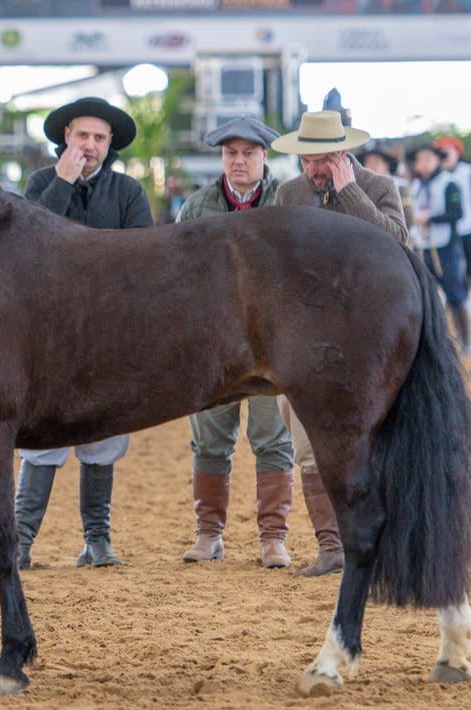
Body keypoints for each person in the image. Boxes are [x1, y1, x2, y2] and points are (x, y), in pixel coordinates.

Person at [16, 97, 154, 569]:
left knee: (103, 435)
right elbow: (25, 250)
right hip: (47, 333)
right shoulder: (40, 184)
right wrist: (62, 183)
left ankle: (97, 541)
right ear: (65, 139)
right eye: (82, 136)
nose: (90, 145)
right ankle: (21, 541)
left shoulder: (129, 192)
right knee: (41, 437)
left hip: (107, 332)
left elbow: (143, 261)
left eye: (99, 138)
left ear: (110, 143)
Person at [270, 110, 408, 577]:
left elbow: (396, 246)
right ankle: (331, 547)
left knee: (373, 441)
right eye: (307, 159)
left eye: (323, 158)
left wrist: (349, 192)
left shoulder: (378, 188)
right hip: (305, 339)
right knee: (307, 444)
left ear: (343, 153)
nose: (313, 169)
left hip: (370, 340)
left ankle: (373, 544)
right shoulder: (288, 193)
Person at [174, 117, 295, 569]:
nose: (238, 161)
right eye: (230, 153)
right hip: (213, 344)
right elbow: (178, 276)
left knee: (273, 438)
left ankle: (273, 538)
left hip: (273, 344)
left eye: (248, 152)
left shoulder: (287, 201)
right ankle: (208, 535)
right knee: (208, 440)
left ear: (266, 156)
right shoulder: (196, 206)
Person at [435, 135, 471, 353]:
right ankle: (461, 333)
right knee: (456, 283)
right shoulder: (436, 177)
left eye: (448, 150)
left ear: (457, 152)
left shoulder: (469, 172)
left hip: (469, 233)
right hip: (448, 236)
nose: (446, 155)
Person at [409, 144, 466, 332]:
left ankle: (465, 336)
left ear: (437, 160)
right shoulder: (416, 185)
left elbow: (457, 213)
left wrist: (431, 219)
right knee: (426, 294)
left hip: (445, 245)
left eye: (428, 159)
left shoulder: (449, 183)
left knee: (453, 292)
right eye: (420, 160)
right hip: (422, 245)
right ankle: (436, 334)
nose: (424, 164)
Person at [359, 147, 415, 233]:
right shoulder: (360, 188)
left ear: (386, 165)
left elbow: (409, 218)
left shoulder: (400, 186)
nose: (371, 166)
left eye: (376, 163)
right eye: (368, 163)